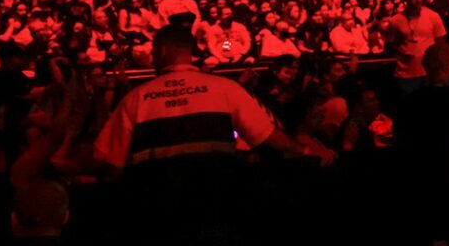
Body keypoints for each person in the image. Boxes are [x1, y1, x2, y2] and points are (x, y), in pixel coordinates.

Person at [89, 26, 300, 174]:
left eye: (153, 51)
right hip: (217, 203)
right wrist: (307, 151)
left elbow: (112, 165)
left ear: (161, 51)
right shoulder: (225, 88)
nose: (152, 57)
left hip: (161, 208)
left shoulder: (136, 99)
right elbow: (267, 136)